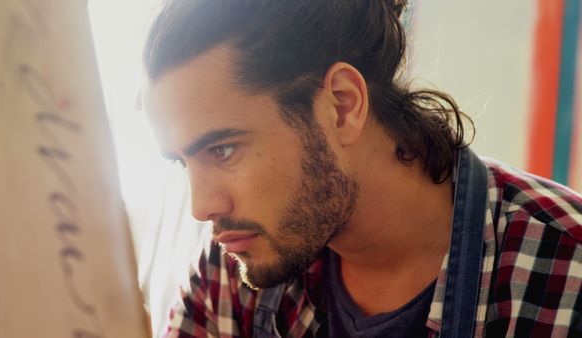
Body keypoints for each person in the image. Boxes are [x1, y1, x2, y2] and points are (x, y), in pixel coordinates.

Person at [141, 0, 582, 337]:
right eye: (184, 163)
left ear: (342, 105)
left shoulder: (567, 267)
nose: (202, 207)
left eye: (222, 151)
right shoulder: (233, 262)